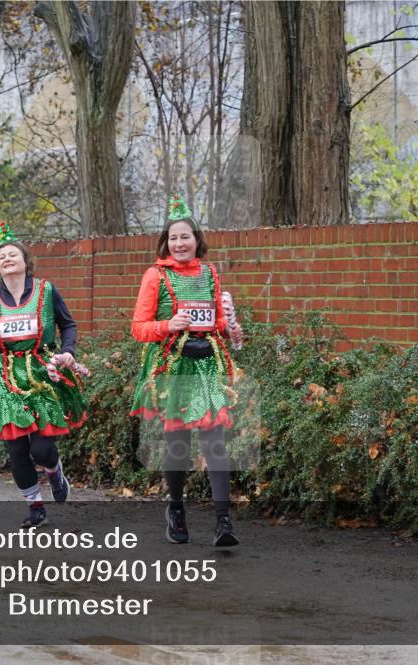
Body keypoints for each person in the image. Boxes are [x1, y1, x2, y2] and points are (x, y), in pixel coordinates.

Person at [130, 194, 244, 547]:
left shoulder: (210, 273)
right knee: (177, 444)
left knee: (215, 441)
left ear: (197, 241)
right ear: (166, 243)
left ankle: (224, 522)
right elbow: (139, 328)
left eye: (186, 237)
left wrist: (230, 329)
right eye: (173, 238)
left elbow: (219, 319)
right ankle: (176, 507)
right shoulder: (155, 276)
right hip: (172, 366)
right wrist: (169, 324)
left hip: (207, 363)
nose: (180, 243)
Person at [0, 222, 85, 527]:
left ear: (25, 261)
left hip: (42, 375)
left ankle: (53, 469)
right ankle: (35, 506)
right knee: (17, 449)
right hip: (7, 379)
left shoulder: (46, 291)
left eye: (13, 255)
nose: (7, 259)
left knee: (42, 448)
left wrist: (69, 352)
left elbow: (68, 325)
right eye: (1, 257)